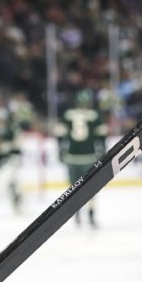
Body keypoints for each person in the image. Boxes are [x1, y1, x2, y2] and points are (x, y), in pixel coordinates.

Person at [54, 89, 108, 228]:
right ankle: (90, 215)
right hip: (89, 157)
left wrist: (60, 149)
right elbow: (102, 135)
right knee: (90, 189)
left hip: (72, 157)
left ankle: (77, 213)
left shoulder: (68, 115)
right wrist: (102, 150)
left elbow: (59, 134)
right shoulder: (94, 115)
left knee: (73, 189)